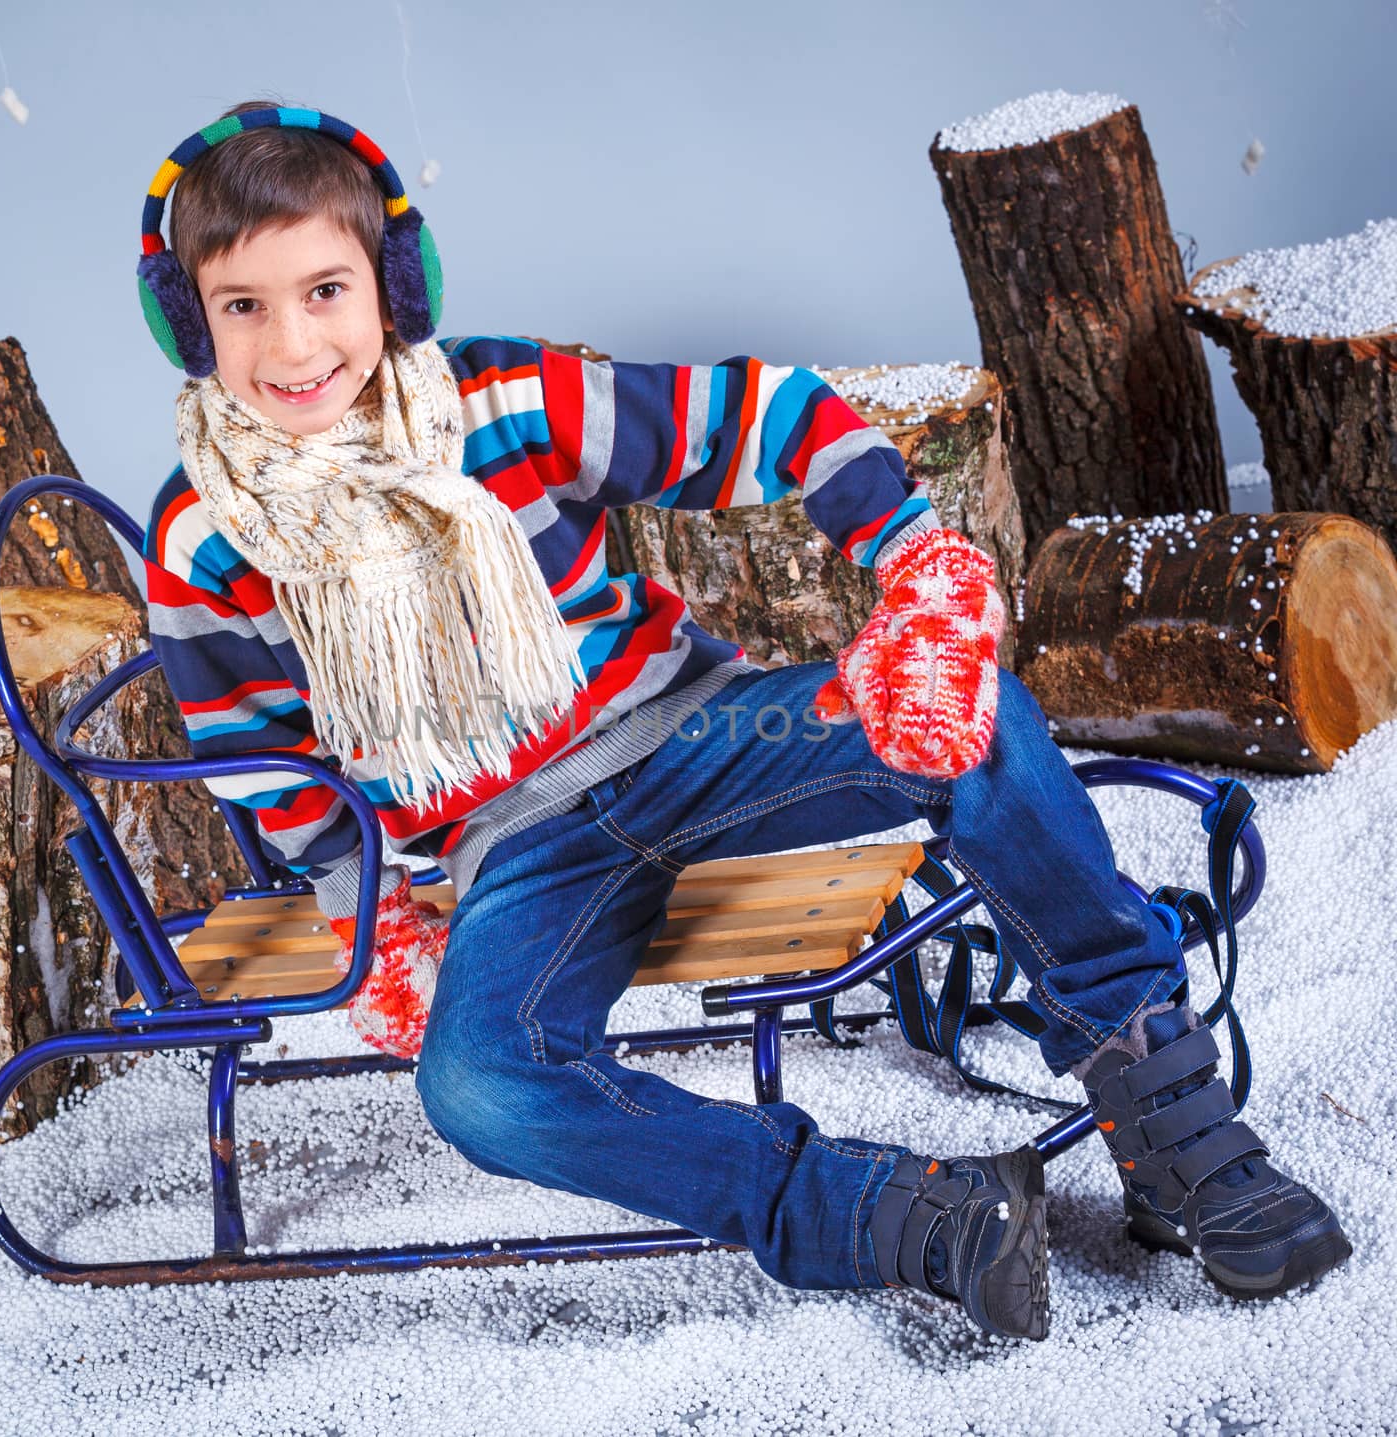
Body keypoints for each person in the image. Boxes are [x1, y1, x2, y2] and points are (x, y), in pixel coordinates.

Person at [137, 98, 1352, 1340]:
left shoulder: (500, 400)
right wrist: (372, 924)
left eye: (326, 289)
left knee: (975, 714)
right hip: (515, 844)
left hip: (700, 741)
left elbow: (772, 416)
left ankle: (1163, 1110)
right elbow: (259, 751)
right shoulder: (199, 536)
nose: (292, 341)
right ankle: (893, 1212)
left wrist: (918, 566)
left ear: (394, 284)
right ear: (191, 321)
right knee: (479, 1089)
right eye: (243, 305)